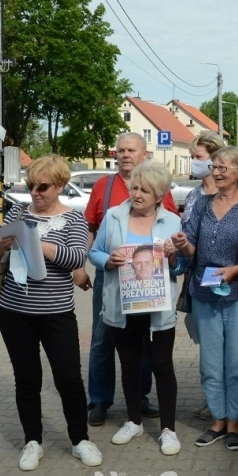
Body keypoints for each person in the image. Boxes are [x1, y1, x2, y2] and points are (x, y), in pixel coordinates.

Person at [0, 154, 102, 471]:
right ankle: (32, 441)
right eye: (31, 186)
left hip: (55, 313)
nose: (35, 193)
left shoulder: (74, 219)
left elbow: (77, 258)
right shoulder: (18, 211)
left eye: (43, 186)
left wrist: (38, 241)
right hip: (14, 310)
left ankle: (79, 439)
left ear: (61, 185)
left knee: (68, 378)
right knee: (27, 379)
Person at [88, 161, 186, 456]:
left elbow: (181, 266)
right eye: (134, 188)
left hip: (158, 309)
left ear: (160, 195)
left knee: (161, 365)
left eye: (145, 190)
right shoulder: (115, 216)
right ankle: (133, 421)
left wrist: (172, 258)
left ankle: (168, 429)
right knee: (129, 365)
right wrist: (108, 259)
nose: (137, 194)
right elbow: (94, 252)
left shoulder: (172, 221)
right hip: (122, 304)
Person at [81, 132, 176, 427]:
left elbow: (177, 258)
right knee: (103, 343)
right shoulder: (107, 197)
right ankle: (100, 401)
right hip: (115, 288)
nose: (124, 154)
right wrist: (104, 261)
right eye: (120, 149)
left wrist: (175, 254)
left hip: (155, 298)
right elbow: (92, 238)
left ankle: (145, 403)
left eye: (130, 150)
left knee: (152, 357)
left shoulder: (169, 213)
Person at [171, 146, 238, 452]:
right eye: (215, 166)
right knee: (210, 363)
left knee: (237, 363)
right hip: (204, 292)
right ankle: (218, 421)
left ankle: (235, 422)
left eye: (224, 167)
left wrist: (236, 270)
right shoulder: (203, 205)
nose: (217, 172)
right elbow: (192, 250)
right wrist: (183, 245)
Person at [179, 130, 226, 422]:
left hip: (223, 275)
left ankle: (223, 402)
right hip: (195, 275)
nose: (194, 163)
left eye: (198, 157)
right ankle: (211, 398)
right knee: (205, 339)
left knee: (224, 339)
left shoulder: (234, 193)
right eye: (192, 157)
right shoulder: (194, 195)